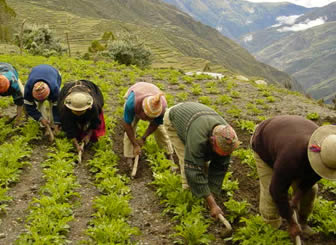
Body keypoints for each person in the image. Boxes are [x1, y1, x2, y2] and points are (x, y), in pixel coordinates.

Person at [250, 115, 336, 240]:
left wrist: (296, 199)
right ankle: (271, 230)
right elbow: (277, 191)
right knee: (270, 194)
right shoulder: (291, 158)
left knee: (311, 190)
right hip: (263, 142)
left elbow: (312, 178)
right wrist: (291, 223)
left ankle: (302, 222)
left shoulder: (329, 153)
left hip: (287, 137)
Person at [163, 102, 240, 219]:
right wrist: (213, 205)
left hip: (196, 116)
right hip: (174, 119)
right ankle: (188, 194)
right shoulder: (197, 139)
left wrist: (212, 192)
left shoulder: (228, 136)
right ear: (211, 140)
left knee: (204, 163)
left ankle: (204, 194)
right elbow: (193, 169)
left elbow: (220, 166)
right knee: (187, 159)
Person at [123, 82, 173, 166]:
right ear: (142, 111)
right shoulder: (131, 104)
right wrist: (135, 144)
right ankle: (129, 156)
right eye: (148, 117)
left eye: (152, 118)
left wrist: (143, 138)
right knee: (131, 127)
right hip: (136, 91)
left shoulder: (162, 109)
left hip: (151, 90)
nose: (149, 120)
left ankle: (169, 153)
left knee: (161, 131)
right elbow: (127, 125)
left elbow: (155, 124)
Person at [58, 80, 105, 153]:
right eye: (76, 111)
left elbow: (95, 122)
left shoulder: (94, 106)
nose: (78, 112)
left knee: (94, 133)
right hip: (68, 88)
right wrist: (76, 145)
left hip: (89, 86)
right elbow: (68, 127)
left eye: (80, 111)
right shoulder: (64, 109)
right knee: (70, 127)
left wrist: (88, 136)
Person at [24, 64, 61, 134]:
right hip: (35, 72)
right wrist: (40, 118)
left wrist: (57, 122)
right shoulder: (28, 88)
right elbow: (29, 107)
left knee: (52, 104)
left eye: (43, 98)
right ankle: (44, 125)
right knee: (40, 105)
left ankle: (53, 124)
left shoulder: (55, 89)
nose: (42, 100)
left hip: (54, 73)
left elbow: (57, 106)